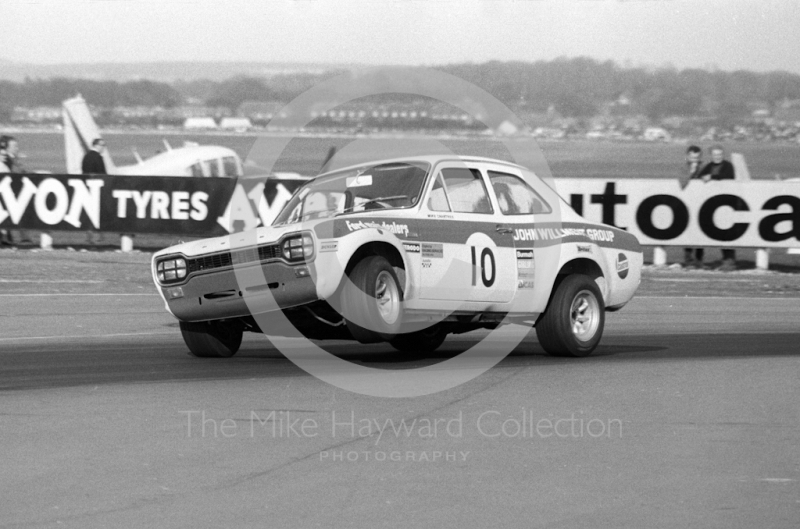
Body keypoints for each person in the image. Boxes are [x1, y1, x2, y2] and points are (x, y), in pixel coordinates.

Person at [698, 145, 737, 271]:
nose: (717, 157)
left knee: (725, 233)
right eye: (715, 154)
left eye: (719, 154)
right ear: (711, 155)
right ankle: (699, 261)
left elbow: (729, 176)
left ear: (723, 155)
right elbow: (700, 177)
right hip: (710, 204)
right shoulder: (708, 166)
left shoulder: (728, 165)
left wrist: (712, 178)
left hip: (725, 205)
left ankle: (729, 260)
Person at [682, 145, 705, 268]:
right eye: (692, 157)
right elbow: (682, 184)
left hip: (701, 204)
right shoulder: (684, 168)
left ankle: (699, 261)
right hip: (688, 204)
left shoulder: (705, 168)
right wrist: (691, 172)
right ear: (688, 157)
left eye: (696, 158)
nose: (694, 160)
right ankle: (688, 260)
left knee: (700, 233)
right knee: (689, 233)